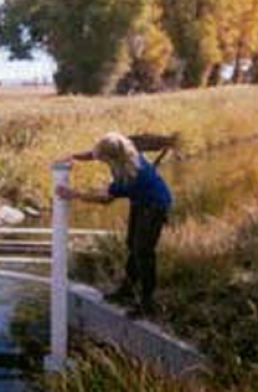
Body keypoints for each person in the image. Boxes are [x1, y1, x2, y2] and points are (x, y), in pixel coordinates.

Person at [55, 132, 173, 317]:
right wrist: (73, 156)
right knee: (131, 245)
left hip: (155, 205)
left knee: (143, 252)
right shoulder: (122, 150)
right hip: (140, 201)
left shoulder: (132, 174)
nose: (101, 161)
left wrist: (74, 194)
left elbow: (105, 199)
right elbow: (94, 154)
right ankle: (127, 290)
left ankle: (147, 303)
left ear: (113, 158)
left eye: (104, 159)